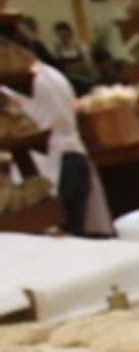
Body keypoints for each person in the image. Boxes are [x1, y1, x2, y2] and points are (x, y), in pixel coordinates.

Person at [1, 45, 110, 235]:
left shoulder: (14, 81)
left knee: (62, 240)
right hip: (74, 155)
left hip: (46, 164)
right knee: (77, 234)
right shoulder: (52, 73)